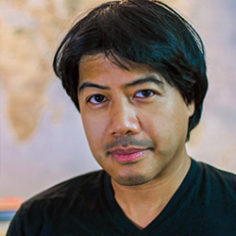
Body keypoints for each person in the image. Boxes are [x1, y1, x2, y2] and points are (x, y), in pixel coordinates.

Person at [7, 0, 236, 235]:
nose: (122, 124)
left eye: (145, 93)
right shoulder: (39, 222)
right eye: (97, 98)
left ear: (190, 99)